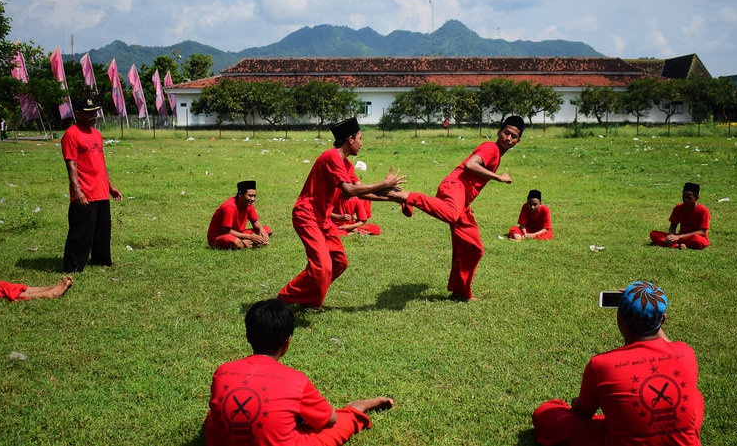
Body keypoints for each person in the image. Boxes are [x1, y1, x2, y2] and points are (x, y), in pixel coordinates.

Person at [532, 281, 705, 445]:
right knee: (695, 398)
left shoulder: (602, 364)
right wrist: (652, 314)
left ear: (619, 320)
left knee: (545, 414)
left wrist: (576, 402)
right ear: (663, 320)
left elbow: (583, 412)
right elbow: (667, 344)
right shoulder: (685, 352)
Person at [204, 298, 393, 445]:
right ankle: (356, 410)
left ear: (248, 336)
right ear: (287, 343)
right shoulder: (295, 381)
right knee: (337, 425)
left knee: (213, 416)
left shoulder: (222, 371)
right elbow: (329, 420)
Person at [386, 116, 524, 301]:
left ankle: (461, 292)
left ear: (518, 141)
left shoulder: (497, 153)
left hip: (462, 199)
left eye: (513, 136)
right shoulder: (491, 148)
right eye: (506, 133)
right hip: (455, 187)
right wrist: (498, 177)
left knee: (473, 248)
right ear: (499, 132)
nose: (508, 138)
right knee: (450, 214)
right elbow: (470, 165)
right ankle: (407, 197)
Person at [278, 117, 405, 308]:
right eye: (360, 138)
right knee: (322, 268)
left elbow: (362, 191)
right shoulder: (331, 157)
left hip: (323, 219)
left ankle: (309, 298)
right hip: (307, 216)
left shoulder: (346, 165)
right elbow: (348, 191)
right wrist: (384, 184)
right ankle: (281, 300)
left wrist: (392, 197)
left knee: (339, 262)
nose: (362, 143)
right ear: (350, 139)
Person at [62, 95, 122, 273]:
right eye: (89, 113)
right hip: (85, 191)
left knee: (102, 231)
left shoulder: (96, 134)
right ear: (78, 114)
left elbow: (100, 163)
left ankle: (101, 260)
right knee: (81, 232)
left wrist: (110, 186)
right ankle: (73, 266)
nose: (94, 116)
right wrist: (77, 191)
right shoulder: (71, 134)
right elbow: (71, 164)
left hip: (101, 190)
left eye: (95, 112)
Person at [207, 180, 272, 249]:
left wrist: (261, 230)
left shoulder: (248, 204)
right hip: (221, 237)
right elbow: (225, 231)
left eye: (254, 196)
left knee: (266, 229)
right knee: (235, 242)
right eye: (250, 196)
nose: (253, 199)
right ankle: (251, 245)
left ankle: (247, 242)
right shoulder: (229, 207)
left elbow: (255, 221)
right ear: (240, 194)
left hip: (238, 233)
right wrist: (250, 237)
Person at [649, 182, 710, 250]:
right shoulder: (678, 208)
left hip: (692, 237)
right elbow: (673, 226)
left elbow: (702, 232)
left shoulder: (703, 211)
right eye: (683, 197)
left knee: (698, 241)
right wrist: (671, 236)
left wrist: (680, 237)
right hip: (680, 238)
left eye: (689, 198)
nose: (685, 200)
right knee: (654, 234)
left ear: (697, 198)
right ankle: (678, 245)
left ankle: (684, 245)